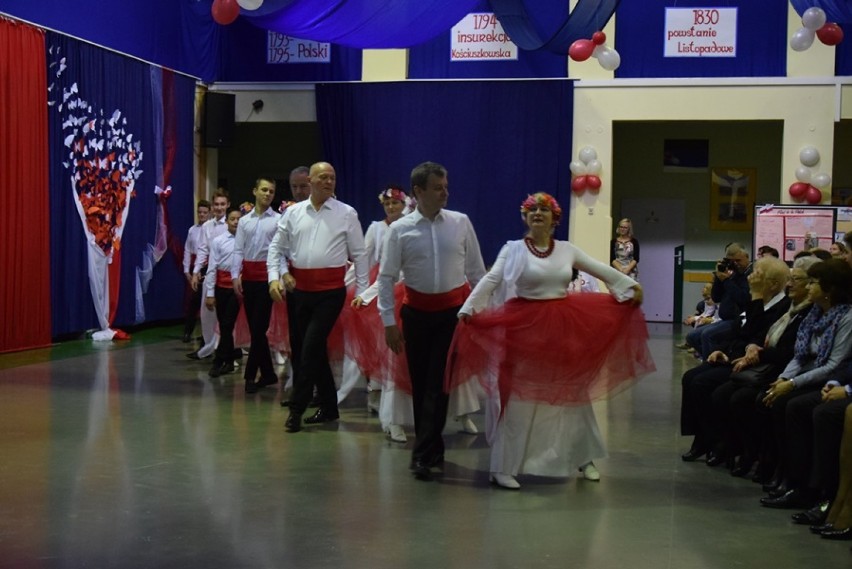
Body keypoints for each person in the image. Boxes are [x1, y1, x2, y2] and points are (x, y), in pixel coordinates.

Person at [446, 192, 652, 490]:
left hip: (559, 329)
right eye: (532, 210)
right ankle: (502, 467)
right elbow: (491, 280)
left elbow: (600, 269)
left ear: (555, 218)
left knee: (571, 396)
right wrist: (468, 309)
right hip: (522, 330)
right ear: (525, 217)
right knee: (517, 399)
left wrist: (629, 286)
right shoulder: (513, 249)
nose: (538, 214)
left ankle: (584, 458)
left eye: (544, 210)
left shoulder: (567, 250)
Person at [377, 161, 486, 480]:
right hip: (415, 315)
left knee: (439, 385)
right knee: (422, 383)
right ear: (418, 191)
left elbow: (478, 273)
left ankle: (422, 453)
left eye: (446, 186)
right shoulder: (399, 230)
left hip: (451, 317)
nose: (445, 193)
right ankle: (432, 446)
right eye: (438, 188)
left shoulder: (461, 223)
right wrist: (388, 322)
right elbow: (386, 277)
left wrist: (476, 310)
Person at [268, 162, 368, 432]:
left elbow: (359, 255)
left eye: (332, 178)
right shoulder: (292, 213)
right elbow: (277, 248)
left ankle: (297, 409)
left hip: (330, 294)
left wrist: (362, 292)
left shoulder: (346, 213)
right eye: (323, 177)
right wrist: (275, 276)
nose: (328, 182)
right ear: (310, 181)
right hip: (300, 292)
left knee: (310, 347)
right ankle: (329, 407)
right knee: (310, 349)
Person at [758, 259, 852, 511]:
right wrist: (783, 380)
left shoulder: (845, 317)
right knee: (774, 398)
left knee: (799, 406)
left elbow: (833, 364)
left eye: (814, 283)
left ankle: (807, 486)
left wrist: (792, 383)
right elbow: (800, 355)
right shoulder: (814, 314)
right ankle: (786, 473)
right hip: (810, 374)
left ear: (830, 289)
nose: (808, 288)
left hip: (825, 377)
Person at [679, 256, 790, 466]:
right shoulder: (756, 300)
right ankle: (702, 437)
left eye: (757, 273)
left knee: (704, 383)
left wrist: (756, 296)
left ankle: (717, 441)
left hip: (756, 365)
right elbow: (739, 334)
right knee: (690, 376)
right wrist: (723, 352)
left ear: (773, 283)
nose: (751, 277)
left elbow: (757, 336)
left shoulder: (780, 306)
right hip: (736, 356)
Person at [233, 177, 281, 393]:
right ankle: (269, 373)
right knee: (255, 329)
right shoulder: (245, 221)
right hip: (249, 278)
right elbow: (238, 249)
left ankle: (250, 376)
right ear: (254, 191)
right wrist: (235, 275)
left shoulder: (278, 220)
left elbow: (279, 252)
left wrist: (276, 278)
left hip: (266, 278)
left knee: (259, 328)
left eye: (271, 191)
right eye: (264, 190)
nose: (267, 194)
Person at [188, 189, 230, 360]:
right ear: (212, 206)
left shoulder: (233, 223)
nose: (219, 208)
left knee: (227, 316)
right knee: (207, 312)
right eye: (216, 204)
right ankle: (208, 347)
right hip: (211, 273)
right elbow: (203, 250)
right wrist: (196, 271)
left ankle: (225, 350)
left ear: (228, 205)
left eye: (222, 204)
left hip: (227, 274)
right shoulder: (207, 226)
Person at [694, 242, 753, 360]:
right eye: (732, 261)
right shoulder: (733, 275)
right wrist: (718, 277)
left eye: (738, 260)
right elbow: (716, 297)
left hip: (738, 320)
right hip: (725, 319)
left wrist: (726, 281)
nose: (735, 264)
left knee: (707, 335)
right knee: (692, 336)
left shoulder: (751, 274)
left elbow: (743, 299)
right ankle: (711, 360)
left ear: (747, 257)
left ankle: (709, 366)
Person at [205, 208, 242, 377]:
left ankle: (219, 360)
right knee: (225, 325)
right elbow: (212, 267)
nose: (235, 222)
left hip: (237, 288)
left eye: (238, 219)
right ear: (227, 221)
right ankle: (229, 359)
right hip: (221, 288)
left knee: (227, 324)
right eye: (232, 219)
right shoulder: (218, 241)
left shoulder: (245, 241)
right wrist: (210, 293)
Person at [182, 199, 210, 343]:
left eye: (205, 212)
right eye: (200, 212)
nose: (202, 215)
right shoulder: (192, 230)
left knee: (207, 302)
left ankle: (206, 335)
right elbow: (187, 250)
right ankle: (188, 331)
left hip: (207, 267)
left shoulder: (211, 229)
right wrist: (187, 270)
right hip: (195, 267)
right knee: (193, 301)